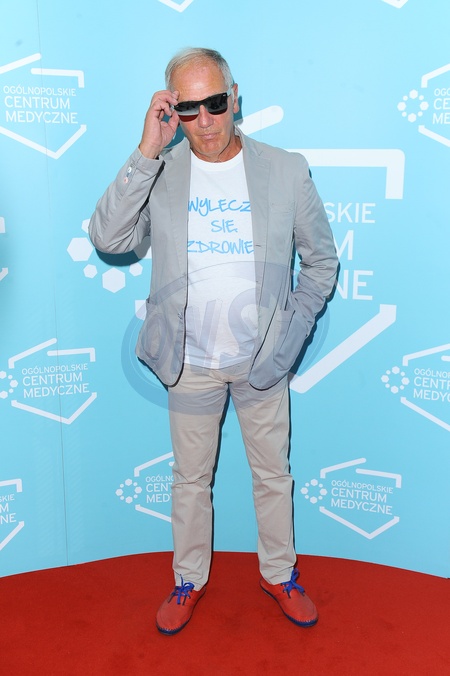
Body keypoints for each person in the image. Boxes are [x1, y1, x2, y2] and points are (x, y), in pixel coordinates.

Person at [89, 47, 338, 635]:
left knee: (272, 475)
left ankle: (279, 574)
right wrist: (147, 150)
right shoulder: (161, 170)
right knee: (189, 480)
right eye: (189, 108)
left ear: (235, 97)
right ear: (172, 110)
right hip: (189, 362)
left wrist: (288, 336)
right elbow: (109, 238)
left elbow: (321, 262)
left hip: (263, 362)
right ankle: (188, 579)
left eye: (216, 103)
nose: (204, 121)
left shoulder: (285, 169)